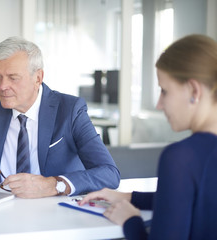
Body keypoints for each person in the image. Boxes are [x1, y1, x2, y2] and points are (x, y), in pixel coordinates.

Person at [79, 34, 217, 239]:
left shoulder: (182, 157)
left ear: (194, 90)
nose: (159, 104)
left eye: (164, 91)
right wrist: (127, 197)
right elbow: (197, 199)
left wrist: (130, 220)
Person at [0, 36, 120, 199]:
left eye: (13, 78)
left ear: (38, 78)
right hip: (0, 205)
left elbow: (109, 173)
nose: (2, 86)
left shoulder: (70, 110)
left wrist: (53, 185)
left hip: (54, 208)